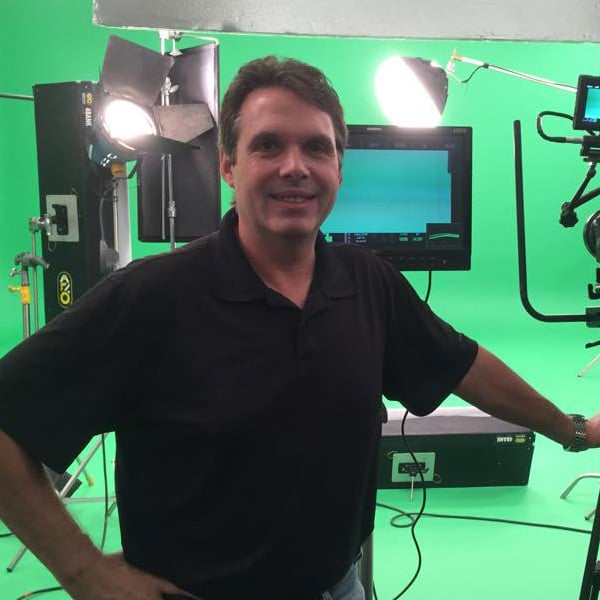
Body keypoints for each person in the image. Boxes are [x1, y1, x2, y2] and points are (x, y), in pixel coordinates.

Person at [0, 55, 598, 600]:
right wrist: (82, 571)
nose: (295, 167)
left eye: (316, 148)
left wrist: (573, 430)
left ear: (339, 166)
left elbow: (462, 365)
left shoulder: (367, 281)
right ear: (228, 166)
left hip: (340, 586)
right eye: (268, 146)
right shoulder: (151, 299)